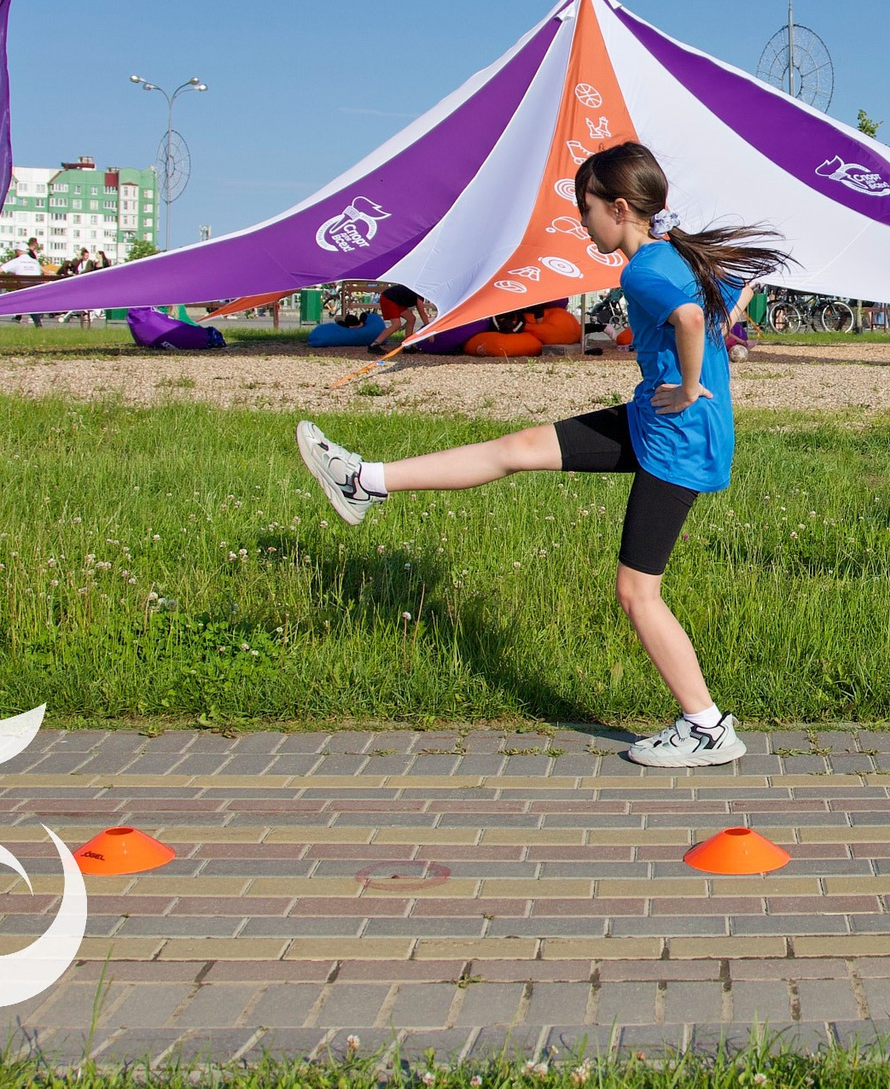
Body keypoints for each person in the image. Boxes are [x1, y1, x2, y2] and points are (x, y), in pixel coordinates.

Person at [295, 141, 788, 768]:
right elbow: (728, 296)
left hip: (678, 439)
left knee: (638, 593)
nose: (583, 223)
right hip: (658, 422)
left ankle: (707, 727)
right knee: (518, 449)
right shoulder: (675, 255)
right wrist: (709, 351)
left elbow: (691, 320)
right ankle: (364, 481)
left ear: (618, 207)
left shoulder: (645, 268)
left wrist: (691, 386)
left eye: (586, 209)